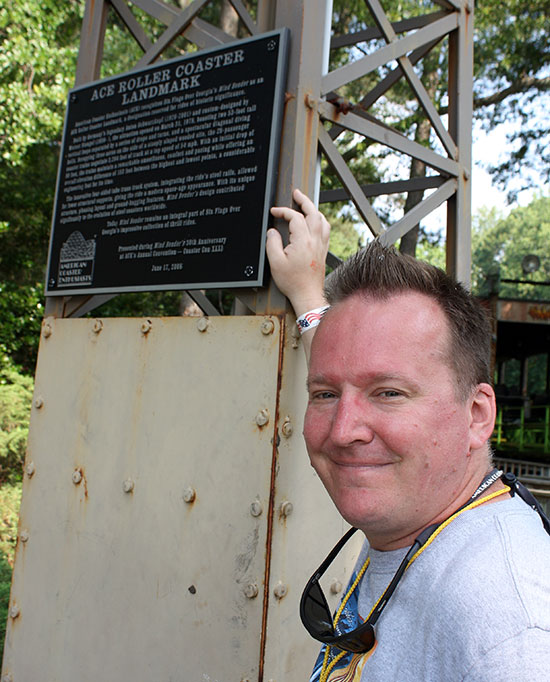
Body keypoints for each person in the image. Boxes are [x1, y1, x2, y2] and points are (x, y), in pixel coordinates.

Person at [266, 189, 550, 682]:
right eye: (325, 395)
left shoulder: (511, 627)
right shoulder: (422, 518)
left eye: (390, 394)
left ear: (478, 414)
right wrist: (307, 293)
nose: (344, 430)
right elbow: (347, 362)